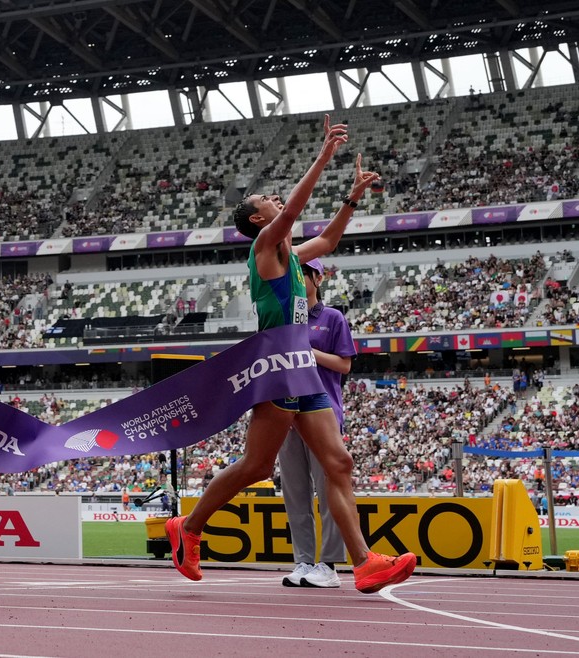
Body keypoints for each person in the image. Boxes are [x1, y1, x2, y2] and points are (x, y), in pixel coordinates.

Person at [165, 115, 416, 594]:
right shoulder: (265, 247)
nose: (278, 202)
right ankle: (189, 527)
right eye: (269, 202)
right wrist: (324, 157)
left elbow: (330, 240)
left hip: (302, 368)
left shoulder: (295, 258)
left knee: (338, 464)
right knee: (257, 467)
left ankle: (364, 564)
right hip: (276, 367)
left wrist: (352, 198)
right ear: (259, 219)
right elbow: (295, 213)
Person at [278, 257, 354, 588]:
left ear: (317, 278)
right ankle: (303, 561)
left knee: (329, 490)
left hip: (323, 416)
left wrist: (306, 351)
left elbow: (344, 365)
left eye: (301, 274)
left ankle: (330, 565)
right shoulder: (282, 320)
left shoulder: (332, 318)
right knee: (295, 494)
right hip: (286, 417)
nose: (296, 279)